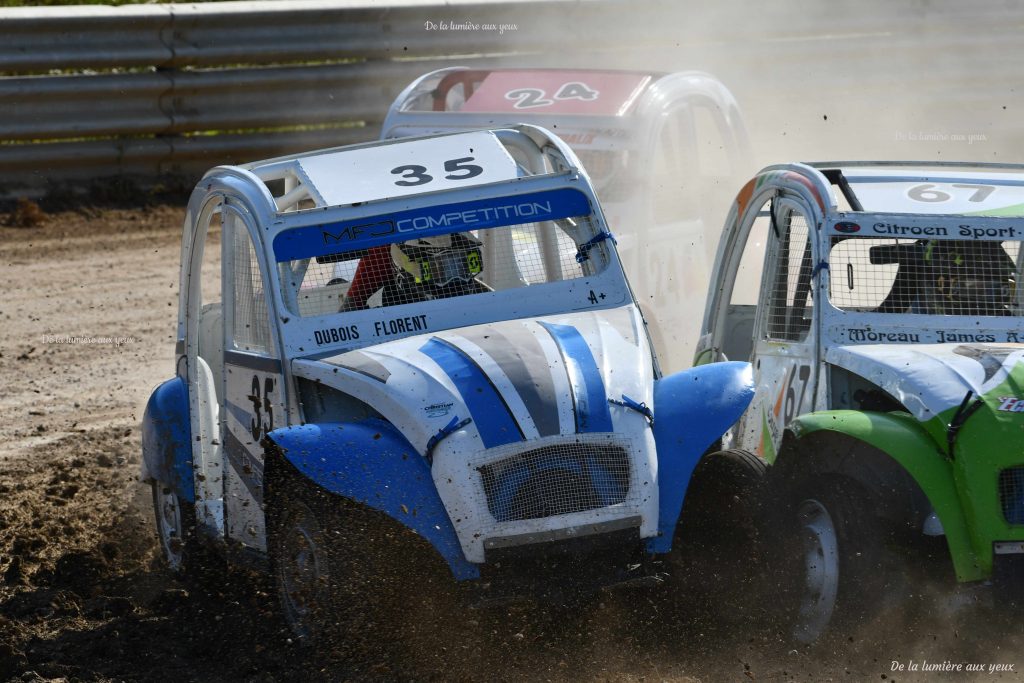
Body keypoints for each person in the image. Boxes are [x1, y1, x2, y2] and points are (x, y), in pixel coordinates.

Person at [341, 233, 486, 311]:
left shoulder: (480, 298)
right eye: (436, 268)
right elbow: (348, 310)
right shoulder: (379, 255)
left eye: (462, 265)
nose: (456, 277)